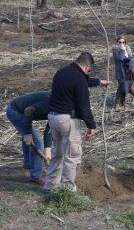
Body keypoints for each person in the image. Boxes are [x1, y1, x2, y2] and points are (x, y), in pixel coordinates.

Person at [45, 52, 110, 192]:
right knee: (72, 156)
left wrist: (98, 82)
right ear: (87, 66)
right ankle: (68, 190)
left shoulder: (61, 72)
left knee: (57, 154)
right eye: (89, 70)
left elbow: (80, 81)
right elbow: (83, 105)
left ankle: (50, 186)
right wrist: (91, 125)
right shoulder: (79, 78)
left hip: (53, 118)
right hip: (68, 120)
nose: (88, 72)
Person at [6, 91, 52, 185]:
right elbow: (28, 111)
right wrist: (27, 134)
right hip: (16, 111)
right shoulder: (51, 101)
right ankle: (35, 176)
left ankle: (28, 164)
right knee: (37, 141)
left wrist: (48, 150)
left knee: (30, 138)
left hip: (23, 112)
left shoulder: (60, 108)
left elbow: (49, 129)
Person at [111, 36, 133, 108]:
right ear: (117, 43)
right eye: (120, 42)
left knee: (125, 86)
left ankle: (123, 102)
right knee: (121, 86)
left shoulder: (128, 48)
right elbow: (120, 59)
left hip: (127, 71)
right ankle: (117, 103)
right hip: (120, 71)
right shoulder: (115, 50)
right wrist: (122, 50)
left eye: (123, 42)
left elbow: (130, 58)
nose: (122, 44)